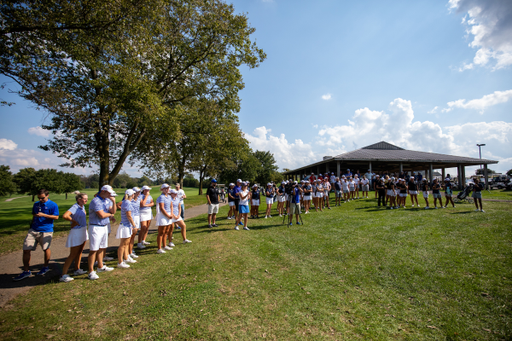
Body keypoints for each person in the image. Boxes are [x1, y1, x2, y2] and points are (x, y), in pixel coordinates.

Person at [14, 189, 60, 281]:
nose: (40, 200)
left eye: (42, 198)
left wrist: (44, 215)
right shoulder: (36, 204)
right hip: (34, 229)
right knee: (26, 249)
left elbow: (56, 217)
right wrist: (32, 225)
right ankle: (26, 271)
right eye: (39, 198)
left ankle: (45, 266)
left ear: (47, 195)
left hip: (46, 230)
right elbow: (34, 215)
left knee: (46, 248)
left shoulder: (53, 205)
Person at [87, 185, 116, 280]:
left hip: (104, 226)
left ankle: (100, 266)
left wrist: (114, 202)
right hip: (96, 226)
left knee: (102, 248)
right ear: (103, 191)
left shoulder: (107, 200)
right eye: (108, 193)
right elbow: (101, 215)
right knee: (94, 249)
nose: (110, 195)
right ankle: (91, 271)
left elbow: (113, 211)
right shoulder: (96, 201)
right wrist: (110, 214)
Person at [60, 193, 89, 282]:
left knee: (80, 251)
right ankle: (64, 274)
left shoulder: (82, 207)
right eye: (84, 199)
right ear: (79, 199)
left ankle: (77, 269)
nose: (86, 200)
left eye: (87, 198)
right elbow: (65, 216)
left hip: (83, 230)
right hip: (76, 231)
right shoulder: (75, 207)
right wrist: (73, 221)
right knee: (72, 254)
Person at [117, 189, 137, 269]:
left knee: (126, 243)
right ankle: (120, 262)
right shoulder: (127, 203)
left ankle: (126, 257)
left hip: (126, 225)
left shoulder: (126, 202)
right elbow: (129, 215)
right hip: (125, 226)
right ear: (132, 195)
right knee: (123, 245)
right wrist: (134, 225)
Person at [156, 184, 173, 254]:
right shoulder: (161, 197)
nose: (167, 190)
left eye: (168, 188)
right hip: (163, 216)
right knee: (161, 232)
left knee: (167, 231)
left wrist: (171, 214)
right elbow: (162, 208)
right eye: (165, 188)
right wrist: (168, 215)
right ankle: (159, 248)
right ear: (162, 189)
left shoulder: (169, 196)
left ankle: (164, 245)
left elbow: (171, 205)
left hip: (169, 215)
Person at [128, 187, 141, 259]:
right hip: (132, 218)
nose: (139, 193)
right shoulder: (129, 201)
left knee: (133, 235)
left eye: (139, 192)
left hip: (137, 217)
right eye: (137, 192)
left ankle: (131, 250)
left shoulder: (138, 199)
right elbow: (119, 205)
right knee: (130, 235)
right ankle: (128, 252)